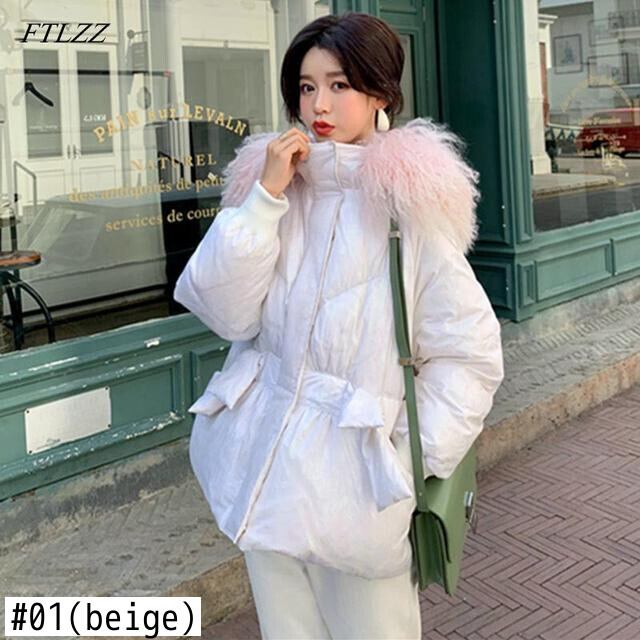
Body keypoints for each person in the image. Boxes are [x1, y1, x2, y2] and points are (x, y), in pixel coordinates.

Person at [173, 11, 505, 640]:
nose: (318, 105)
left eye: (339, 85)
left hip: (358, 497)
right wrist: (265, 200)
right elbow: (226, 313)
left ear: (380, 93)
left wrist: (401, 466)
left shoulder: (409, 206)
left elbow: (470, 356)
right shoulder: (279, 190)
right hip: (265, 475)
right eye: (306, 87)